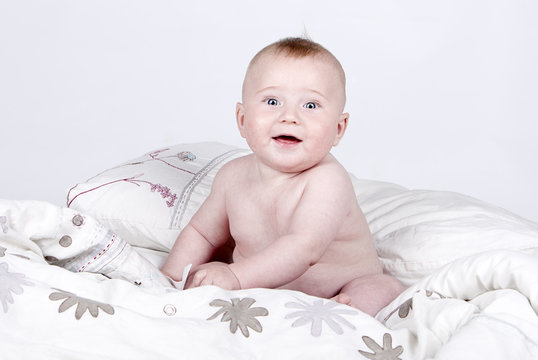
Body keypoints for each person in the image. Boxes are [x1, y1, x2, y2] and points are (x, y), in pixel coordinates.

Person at [161, 37, 403, 316]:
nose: (289, 117)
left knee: (381, 289)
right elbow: (201, 234)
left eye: (310, 105)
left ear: (339, 128)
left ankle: (344, 323)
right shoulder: (232, 177)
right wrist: (168, 280)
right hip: (263, 289)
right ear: (242, 119)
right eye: (272, 101)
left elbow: (303, 248)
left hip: (340, 288)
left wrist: (236, 278)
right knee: (208, 277)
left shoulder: (327, 181)